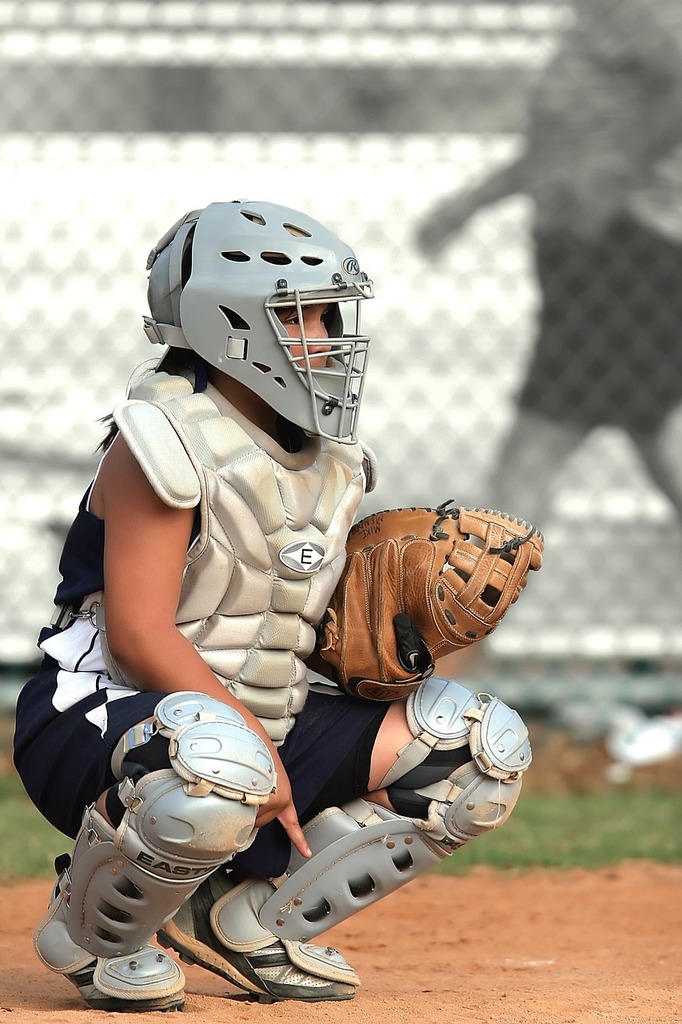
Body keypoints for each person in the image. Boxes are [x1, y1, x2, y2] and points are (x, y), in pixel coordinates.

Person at [13, 200, 531, 1011]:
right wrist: (257, 749)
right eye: (306, 315)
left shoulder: (332, 457)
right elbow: (143, 638)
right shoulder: (159, 441)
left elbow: (279, 622)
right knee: (219, 761)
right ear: (231, 325)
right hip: (97, 718)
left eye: (332, 314)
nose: (330, 335)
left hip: (245, 724)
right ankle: (93, 931)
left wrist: (396, 646)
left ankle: (247, 918)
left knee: (474, 749)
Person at [415, 0, 682, 530]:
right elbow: (557, 152)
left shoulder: (639, 13)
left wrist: (618, 175)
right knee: (651, 428)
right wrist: (469, 203)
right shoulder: (598, 22)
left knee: (530, 454)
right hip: (590, 253)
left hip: (619, 255)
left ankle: (480, 602)